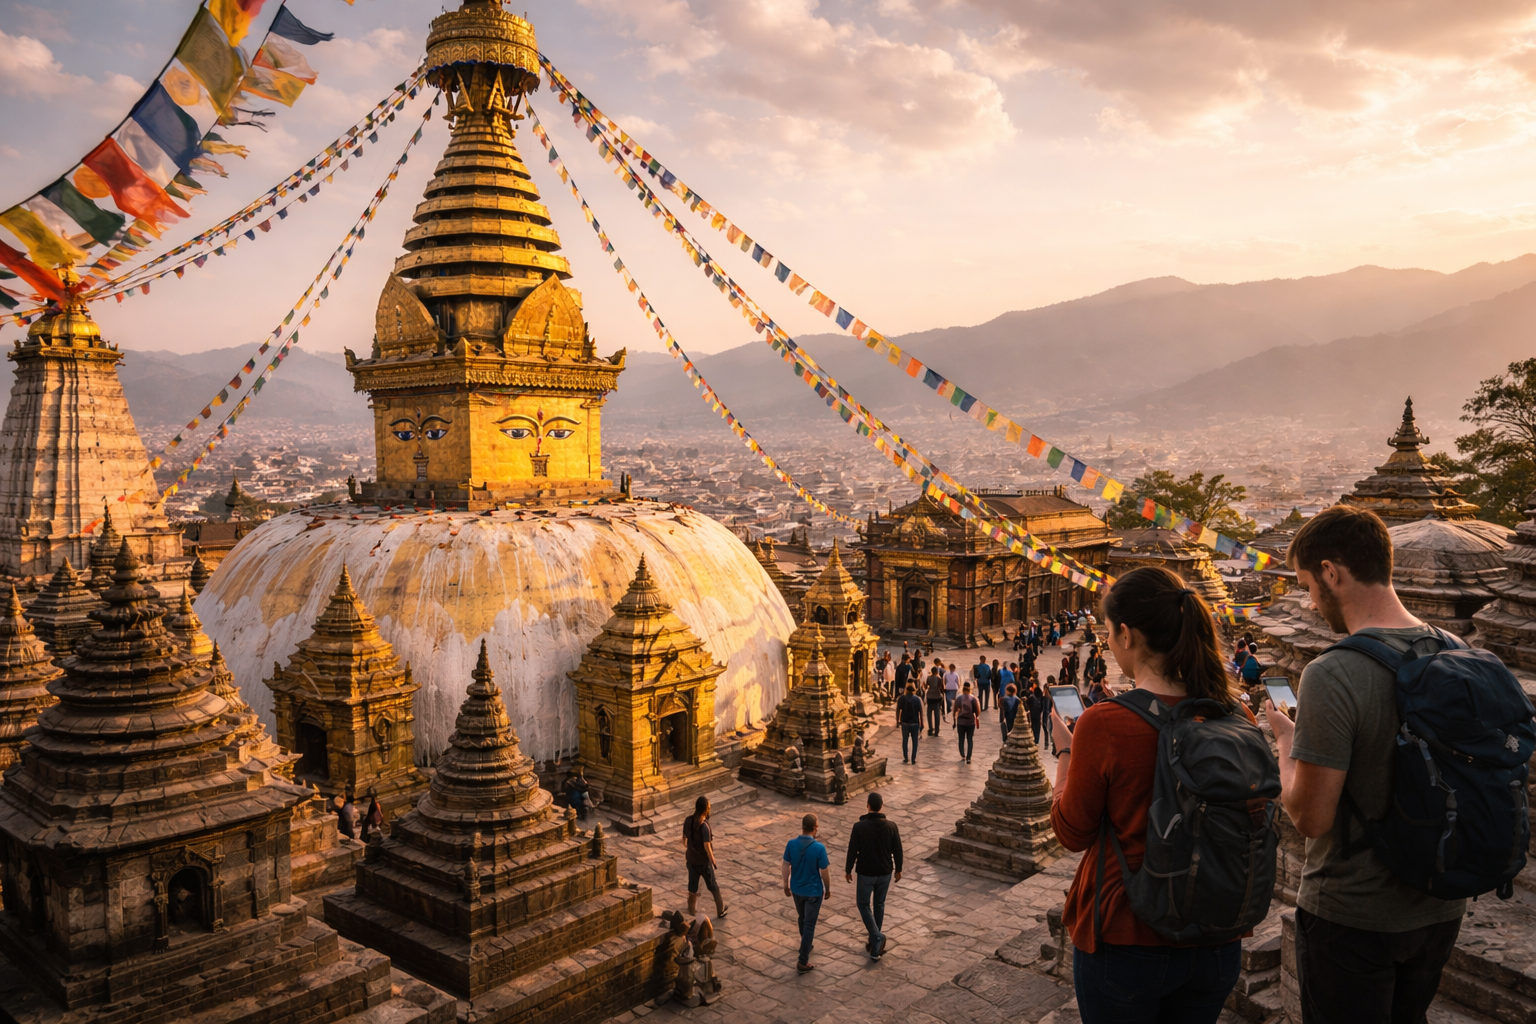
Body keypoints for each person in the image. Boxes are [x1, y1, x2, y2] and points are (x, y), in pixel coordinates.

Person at [1263, 506, 1467, 1023]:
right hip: (1441, 905)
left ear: (1332, 572)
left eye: (1309, 584)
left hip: (1354, 913)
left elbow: (1311, 818)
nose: (1311, 601)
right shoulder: (1457, 653)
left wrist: (1287, 750)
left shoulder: (1334, 672)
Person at [1048, 565, 1253, 1022]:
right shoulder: (1237, 715)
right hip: (1216, 937)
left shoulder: (1105, 723)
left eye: (1107, 633)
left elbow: (1072, 831)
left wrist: (1065, 752)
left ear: (1126, 634)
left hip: (1127, 934)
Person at [845, 791, 903, 960]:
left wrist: (848, 869)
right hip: (884, 872)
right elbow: (897, 849)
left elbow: (852, 850)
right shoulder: (891, 826)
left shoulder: (859, 827)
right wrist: (898, 869)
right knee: (879, 904)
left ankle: (876, 937)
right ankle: (875, 943)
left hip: (866, 873)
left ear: (868, 806)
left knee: (863, 905)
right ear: (881, 806)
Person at [782, 813, 831, 973]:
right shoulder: (819, 848)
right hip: (813, 891)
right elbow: (824, 871)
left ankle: (806, 943)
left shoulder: (791, 844)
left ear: (802, 826)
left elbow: (785, 865)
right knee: (810, 923)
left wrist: (785, 884)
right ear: (815, 829)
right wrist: (828, 888)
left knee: (802, 918)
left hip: (797, 889)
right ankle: (803, 960)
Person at [683, 796, 728, 918]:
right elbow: (707, 847)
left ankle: (691, 910)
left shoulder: (688, 821)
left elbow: (684, 841)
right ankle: (721, 910)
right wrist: (713, 861)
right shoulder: (705, 827)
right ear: (705, 810)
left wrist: (691, 850)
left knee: (692, 887)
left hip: (691, 861)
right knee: (713, 886)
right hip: (703, 863)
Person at [953, 681, 981, 763]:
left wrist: (954, 721)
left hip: (961, 721)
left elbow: (954, 710)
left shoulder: (959, 698)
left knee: (961, 739)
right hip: (970, 722)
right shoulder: (973, 699)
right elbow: (978, 712)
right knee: (969, 739)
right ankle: (969, 757)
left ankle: (962, 755)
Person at [896, 682, 924, 763]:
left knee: (905, 740)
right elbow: (921, 712)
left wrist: (897, 720)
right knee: (915, 741)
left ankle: (906, 757)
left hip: (905, 722)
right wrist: (922, 723)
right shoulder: (917, 699)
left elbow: (898, 710)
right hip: (915, 723)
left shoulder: (902, 698)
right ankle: (913, 759)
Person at [924, 665, 946, 735]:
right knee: (937, 714)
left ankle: (930, 729)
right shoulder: (939, 678)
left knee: (929, 714)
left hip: (930, 696)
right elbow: (942, 687)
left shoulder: (929, 677)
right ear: (936, 672)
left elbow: (926, 685)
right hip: (937, 696)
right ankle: (936, 730)